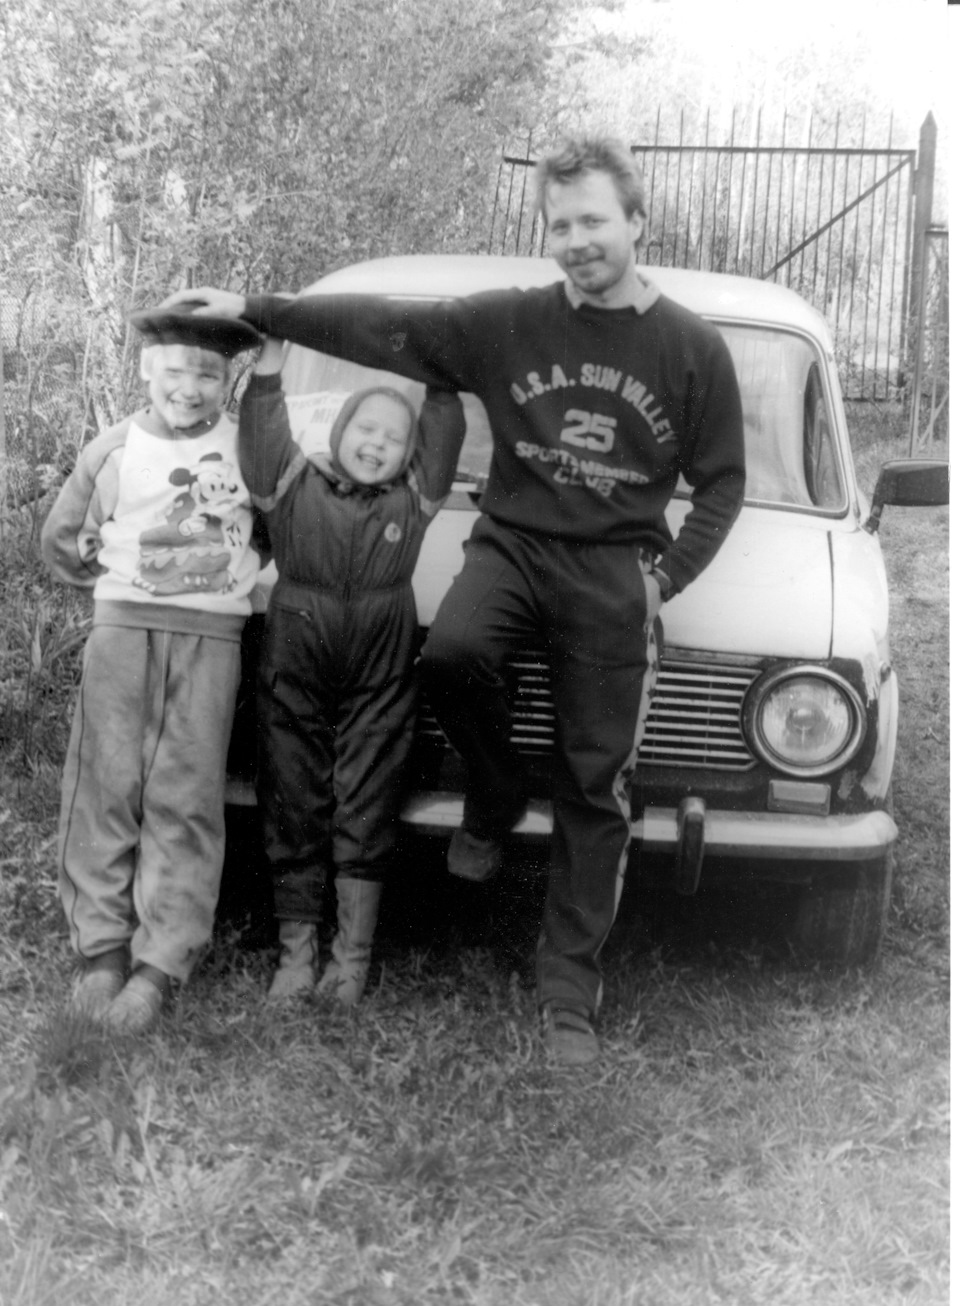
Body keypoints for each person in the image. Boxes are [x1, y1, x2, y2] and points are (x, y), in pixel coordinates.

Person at [162, 133, 746, 1065]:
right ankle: (497, 786)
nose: (576, 240)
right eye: (560, 226)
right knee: (453, 652)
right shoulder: (508, 322)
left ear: (637, 221)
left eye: (593, 220)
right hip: (512, 546)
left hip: (612, 568)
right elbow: (383, 326)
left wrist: (663, 579)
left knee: (597, 784)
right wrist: (255, 308)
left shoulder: (690, 348)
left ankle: (568, 996)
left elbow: (721, 485)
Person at [41, 308, 264, 1034]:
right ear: (147, 370)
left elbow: (273, 533)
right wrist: (121, 592)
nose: (191, 387)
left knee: (186, 794)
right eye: (176, 370)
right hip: (123, 637)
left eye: (210, 373)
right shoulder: (114, 448)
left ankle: (158, 965)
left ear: (231, 379)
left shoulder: (250, 450)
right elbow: (64, 544)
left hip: (211, 643)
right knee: (106, 785)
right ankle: (102, 953)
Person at [239, 338, 465, 1003]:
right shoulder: (287, 482)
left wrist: (443, 385)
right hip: (294, 664)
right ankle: (296, 955)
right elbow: (262, 432)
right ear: (340, 431)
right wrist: (268, 372)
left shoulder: (416, 498)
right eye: (365, 428)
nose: (376, 444)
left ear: (408, 452)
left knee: (365, 803)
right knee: (293, 798)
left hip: (379, 672)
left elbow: (442, 439)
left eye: (394, 437)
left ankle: (352, 958)